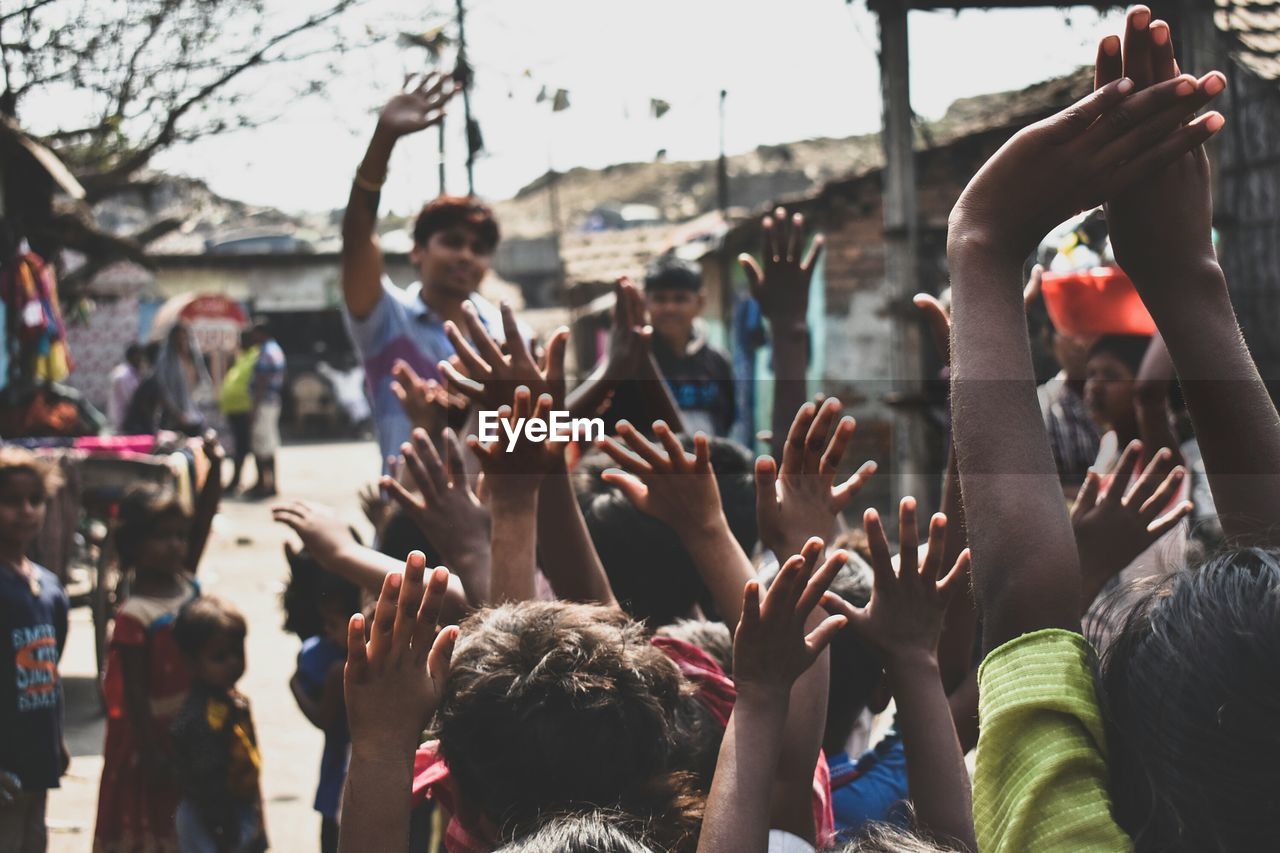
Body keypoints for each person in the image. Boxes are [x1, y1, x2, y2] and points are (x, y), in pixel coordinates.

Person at [341, 72, 527, 471]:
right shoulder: (387, 321)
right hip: (402, 522)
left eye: (478, 249)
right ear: (417, 252)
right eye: (453, 241)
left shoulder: (509, 338)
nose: (466, 256)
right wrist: (383, 142)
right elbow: (357, 238)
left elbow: (531, 436)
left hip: (489, 525)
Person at [94, 435, 224, 852]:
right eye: (163, 537)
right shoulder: (135, 613)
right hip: (151, 736)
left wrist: (216, 471)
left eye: (179, 536)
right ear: (134, 545)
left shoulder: (184, 581)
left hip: (192, 724)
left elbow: (202, 523)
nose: (176, 545)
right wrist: (151, 753)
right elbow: (131, 693)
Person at [0, 448, 69, 853]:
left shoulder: (49, 587)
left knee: (32, 840)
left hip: (37, 756)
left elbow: (50, 671)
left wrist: (56, 740)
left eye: (35, 501)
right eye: (10, 502)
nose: (25, 511)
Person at [170, 596, 266, 853]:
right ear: (193, 663)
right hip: (211, 818)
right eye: (220, 657)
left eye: (237, 652)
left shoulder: (235, 703)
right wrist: (222, 827)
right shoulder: (202, 716)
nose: (233, 662)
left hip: (238, 809)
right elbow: (205, 777)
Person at [282, 545, 362, 853]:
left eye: (332, 625)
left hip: (340, 763)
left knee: (334, 835)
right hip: (355, 757)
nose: (326, 633)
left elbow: (323, 719)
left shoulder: (335, 670)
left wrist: (295, 688)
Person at [606, 257, 737, 438]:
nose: (670, 308)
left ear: (699, 302)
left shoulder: (717, 362)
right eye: (660, 299)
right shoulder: (631, 363)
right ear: (646, 303)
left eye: (680, 299)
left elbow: (727, 418)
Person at [247, 321, 285, 499]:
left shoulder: (266, 353)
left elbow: (261, 383)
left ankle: (264, 483)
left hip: (264, 404)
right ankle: (270, 483)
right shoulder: (276, 350)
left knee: (261, 445)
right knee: (269, 444)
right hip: (273, 403)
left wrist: (254, 407)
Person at [154, 322, 214, 435]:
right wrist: (177, 413)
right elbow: (162, 388)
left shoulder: (194, 358)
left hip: (195, 413)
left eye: (185, 337)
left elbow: (202, 383)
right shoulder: (166, 360)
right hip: (173, 417)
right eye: (179, 338)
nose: (183, 341)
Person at [219, 332, 260, 494]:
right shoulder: (242, 357)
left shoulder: (256, 356)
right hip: (234, 409)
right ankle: (237, 479)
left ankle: (239, 480)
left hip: (245, 409)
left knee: (245, 447)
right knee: (239, 447)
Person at [108, 344, 147, 432]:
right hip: (123, 419)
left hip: (123, 419)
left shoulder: (130, 372)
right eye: (140, 356)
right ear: (134, 356)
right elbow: (131, 399)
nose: (141, 360)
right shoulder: (124, 375)